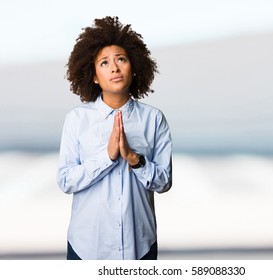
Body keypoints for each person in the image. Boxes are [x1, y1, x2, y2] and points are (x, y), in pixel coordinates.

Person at [56, 16, 172, 260]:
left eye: (121, 59)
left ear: (133, 66)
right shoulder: (77, 120)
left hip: (139, 247)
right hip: (86, 247)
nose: (115, 68)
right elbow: (66, 180)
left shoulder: (154, 119)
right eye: (104, 63)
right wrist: (106, 157)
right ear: (94, 76)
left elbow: (164, 182)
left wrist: (134, 159)